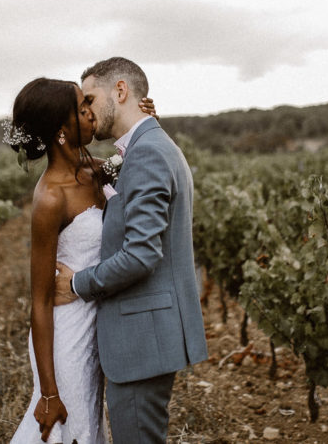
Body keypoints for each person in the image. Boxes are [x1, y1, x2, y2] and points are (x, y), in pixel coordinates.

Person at [55, 57, 208, 443]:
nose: (85, 111)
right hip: (146, 336)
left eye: (89, 99)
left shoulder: (148, 153)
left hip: (143, 341)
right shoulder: (142, 148)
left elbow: (141, 254)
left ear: (119, 91)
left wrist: (77, 285)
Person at [5, 76, 157, 443]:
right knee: (69, 427)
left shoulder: (94, 170)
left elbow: (140, 160)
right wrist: (47, 392)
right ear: (61, 129)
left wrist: (144, 122)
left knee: (89, 421)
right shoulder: (50, 198)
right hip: (67, 334)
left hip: (96, 324)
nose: (91, 114)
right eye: (82, 107)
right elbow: (39, 303)